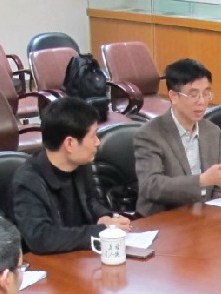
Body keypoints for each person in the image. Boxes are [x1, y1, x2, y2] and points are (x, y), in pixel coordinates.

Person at [12, 96, 132, 254]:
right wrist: (101, 230)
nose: (97, 142)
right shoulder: (28, 181)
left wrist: (104, 217)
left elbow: (90, 201)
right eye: (93, 135)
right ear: (69, 143)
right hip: (49, 264)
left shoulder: (80, 164)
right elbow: (41, 238)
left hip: (81, 258)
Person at [132, 58, 221, 216]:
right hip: (165, 218)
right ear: (173, 96)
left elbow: (218, 186)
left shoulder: (213, 131)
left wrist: (216, 214)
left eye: (206, 94)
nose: (202, 102)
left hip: (203, 215)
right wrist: (202, 181)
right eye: (193, 95)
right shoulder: (149, 134)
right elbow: (151, 186)